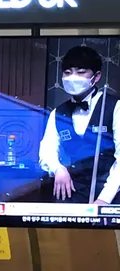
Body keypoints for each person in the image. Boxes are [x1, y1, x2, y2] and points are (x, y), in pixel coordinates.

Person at [38, 44, 120, 204]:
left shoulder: (115, 107)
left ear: (96, 77)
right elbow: (46, 150)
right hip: (72, 192)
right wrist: (58, 169)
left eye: (81, 72)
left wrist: (104, 199)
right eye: (67, 72)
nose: (72, 77)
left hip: (111, 192)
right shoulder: (58, 113)